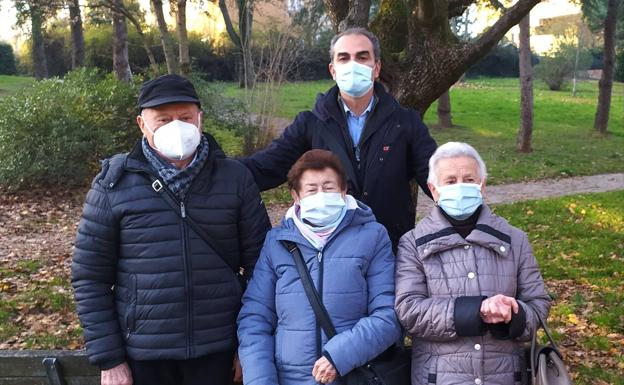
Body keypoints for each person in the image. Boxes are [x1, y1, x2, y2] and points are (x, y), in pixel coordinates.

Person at [71, 74, 271, 385]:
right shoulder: (113, 185)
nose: (176, 127)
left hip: (219, 351)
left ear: (200, 119)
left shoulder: (235, 179)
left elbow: (263, 268)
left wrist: (251, 346)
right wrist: (111, 359)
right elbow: (90, 278)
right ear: (142, 124)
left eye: (185, 117)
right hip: (145, 356)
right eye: (163, 119)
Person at [241, 27, 437, 248]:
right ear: (333, 70)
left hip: (391, 250)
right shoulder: (311, 123)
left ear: (377, 68)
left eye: (362, 57)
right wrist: (214, 167)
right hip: (332, 252)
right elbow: (265, 168)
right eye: (344, 58)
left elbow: (437, 178)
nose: (353, 65)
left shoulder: (405, 122)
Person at [237, 149, 401, 385]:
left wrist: (339, 356)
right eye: (312, 189)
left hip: (352, 374)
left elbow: (389, 314)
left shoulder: (373, 236)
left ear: (343, 190)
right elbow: (255, 318)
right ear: (296, 196)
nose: (321, 195)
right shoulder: (277, 242)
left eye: (329, 187)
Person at [394, 142, 552, 385]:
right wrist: (476, 310)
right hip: (438, 378)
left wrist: (514, 314)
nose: (460, 187)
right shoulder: (413, 243)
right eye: (451, 181)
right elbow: (409, 311)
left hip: (505, 377)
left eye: (469, 179)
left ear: (482, 185)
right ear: (434, 190)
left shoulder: (515, 240)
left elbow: (538, 307)